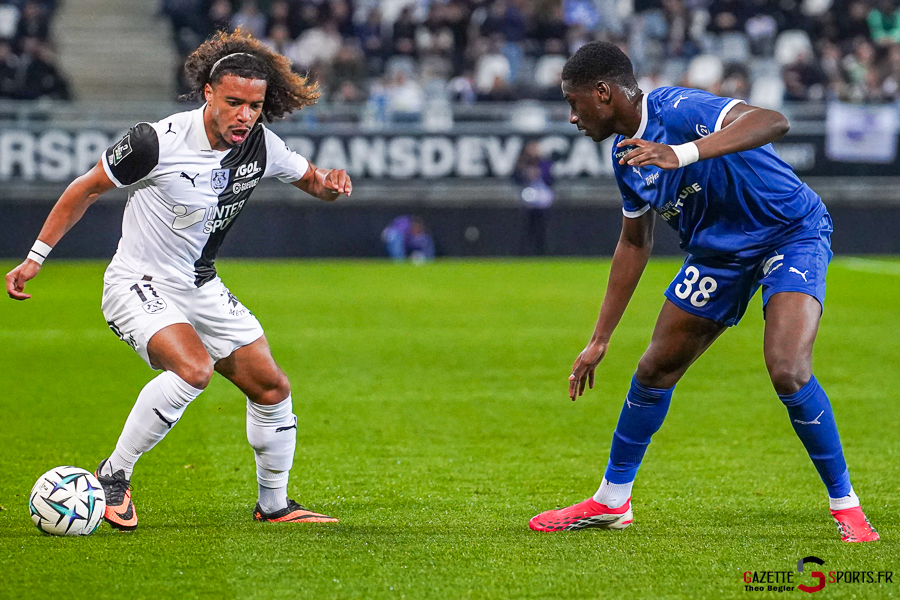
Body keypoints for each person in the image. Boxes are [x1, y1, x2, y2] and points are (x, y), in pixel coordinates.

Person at [528, 41, 879, 543]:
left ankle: (846, 506)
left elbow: (773, 121)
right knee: (653, 369)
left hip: (789, 231)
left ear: (602, 93)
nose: (571, 116)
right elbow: (634, 243)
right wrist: (600, 337)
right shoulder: (625, 158)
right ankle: (612, 501)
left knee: (787, 368)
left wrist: (681, 153)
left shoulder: (679, 108)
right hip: (719, 257)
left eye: (573, 102)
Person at [5, 30, 353, 530]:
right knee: (193, 370)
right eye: (234, 102)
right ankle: (112, 478)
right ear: (208, 93)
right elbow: (85, 189)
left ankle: (274, 505)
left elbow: (313, 181)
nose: (245, 115)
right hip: (137, 282)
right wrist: (36, 257)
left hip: (200, 286)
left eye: (255, 105)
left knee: (272, 388)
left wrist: (331, 183)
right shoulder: (155, 142)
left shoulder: (261, 146)